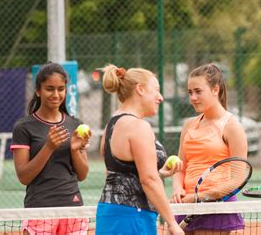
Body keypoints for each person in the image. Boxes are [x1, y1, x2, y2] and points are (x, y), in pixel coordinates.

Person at [95, 64, 184, 235]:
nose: (160, 97)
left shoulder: (111, 124)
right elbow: (148, 180)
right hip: (132, 216)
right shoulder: (138, 126)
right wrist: (172, 222)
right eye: (156, 90)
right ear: (140, 89)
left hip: (110, 212)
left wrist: (161, 173)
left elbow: (116, 174)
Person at [10, 62, 90, 235]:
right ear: (38, 91)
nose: (56, 94)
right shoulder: (24, 127)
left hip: (73, 209)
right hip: (39, 210)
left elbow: (82, 175)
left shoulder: (75, 124)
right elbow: (24, 176)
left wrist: (75, 150)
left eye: (61, 89)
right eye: (49, 89)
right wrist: (49, 147)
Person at [171, 63, 247, 234]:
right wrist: (177, 188)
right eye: (190, 92)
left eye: (198, 91)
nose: (193, 97)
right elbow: (180, 166)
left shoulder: (233, 127)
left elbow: (237, 180)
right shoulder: (189, 125)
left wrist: (199, 198)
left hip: (216, 208)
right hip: (185, 207)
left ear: (215, 89)